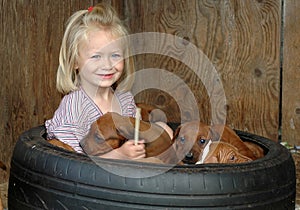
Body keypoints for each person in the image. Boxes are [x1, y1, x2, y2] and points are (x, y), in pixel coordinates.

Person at [45, 3, 148, 160]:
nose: (107, 65)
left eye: (115, 55)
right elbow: (72, 165)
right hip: (88, 181)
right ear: (75, 62)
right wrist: (118, 156)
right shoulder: (74, 106)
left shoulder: (125, 99)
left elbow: (137, 141)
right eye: (96, 56)